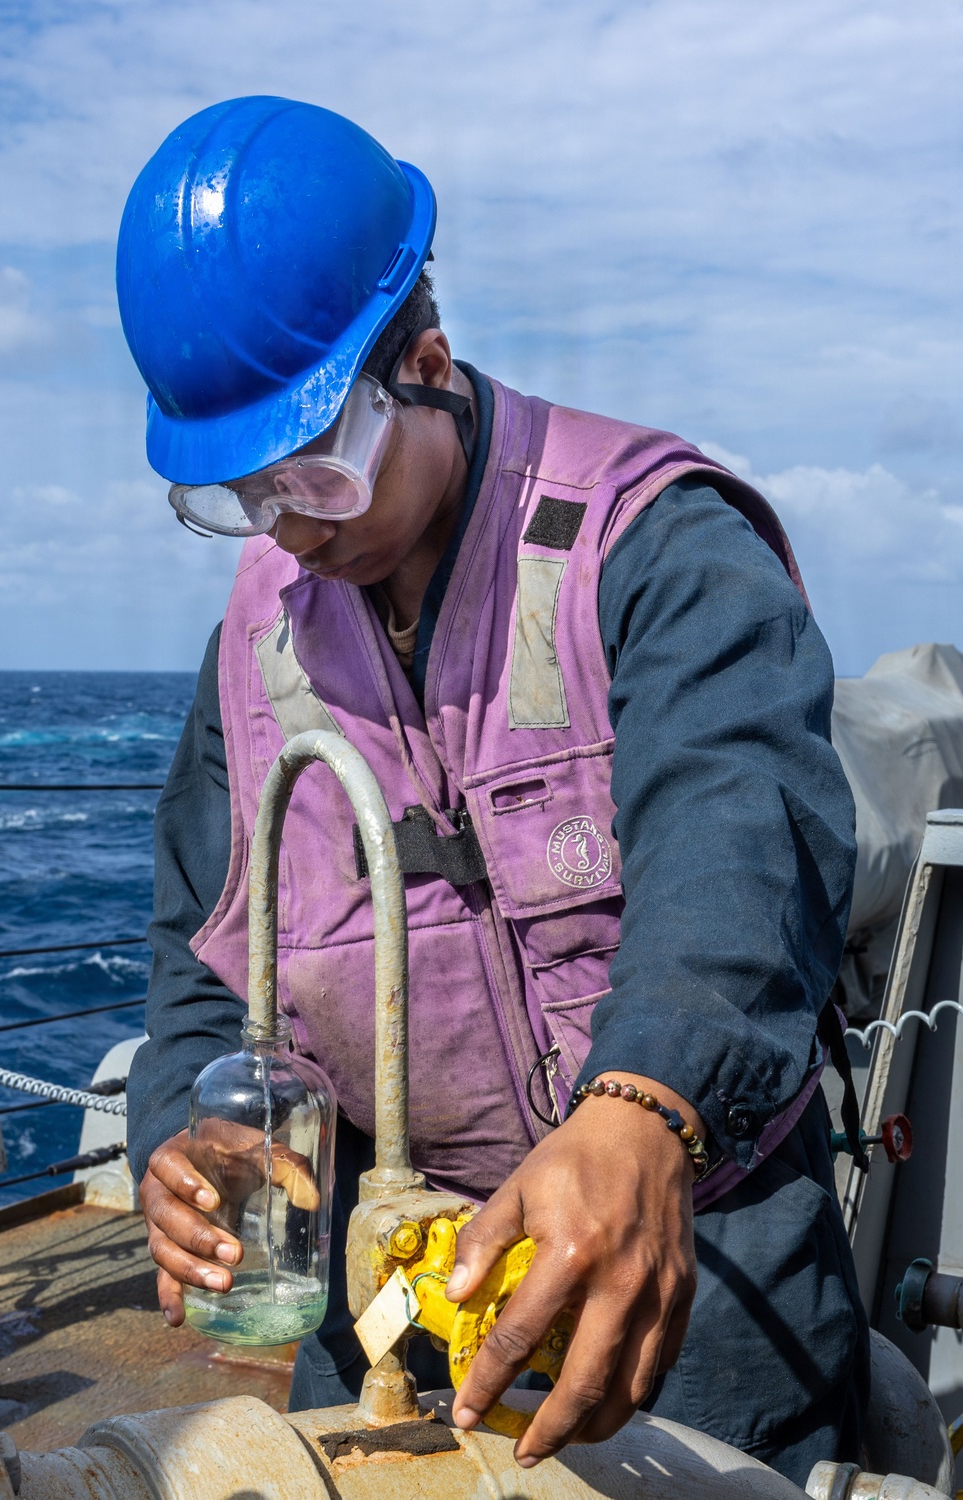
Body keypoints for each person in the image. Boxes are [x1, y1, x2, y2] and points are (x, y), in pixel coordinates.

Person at [119, 96, 869, 1483]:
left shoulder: (656, 545)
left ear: (427, 362)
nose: (285, 522)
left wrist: (645, 1105)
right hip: (392, 1313)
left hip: (696, 1287)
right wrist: (188, 1131)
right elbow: (200, 958)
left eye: (316, 468)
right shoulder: (252, 649)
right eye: (239, 491)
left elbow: (740, 833)